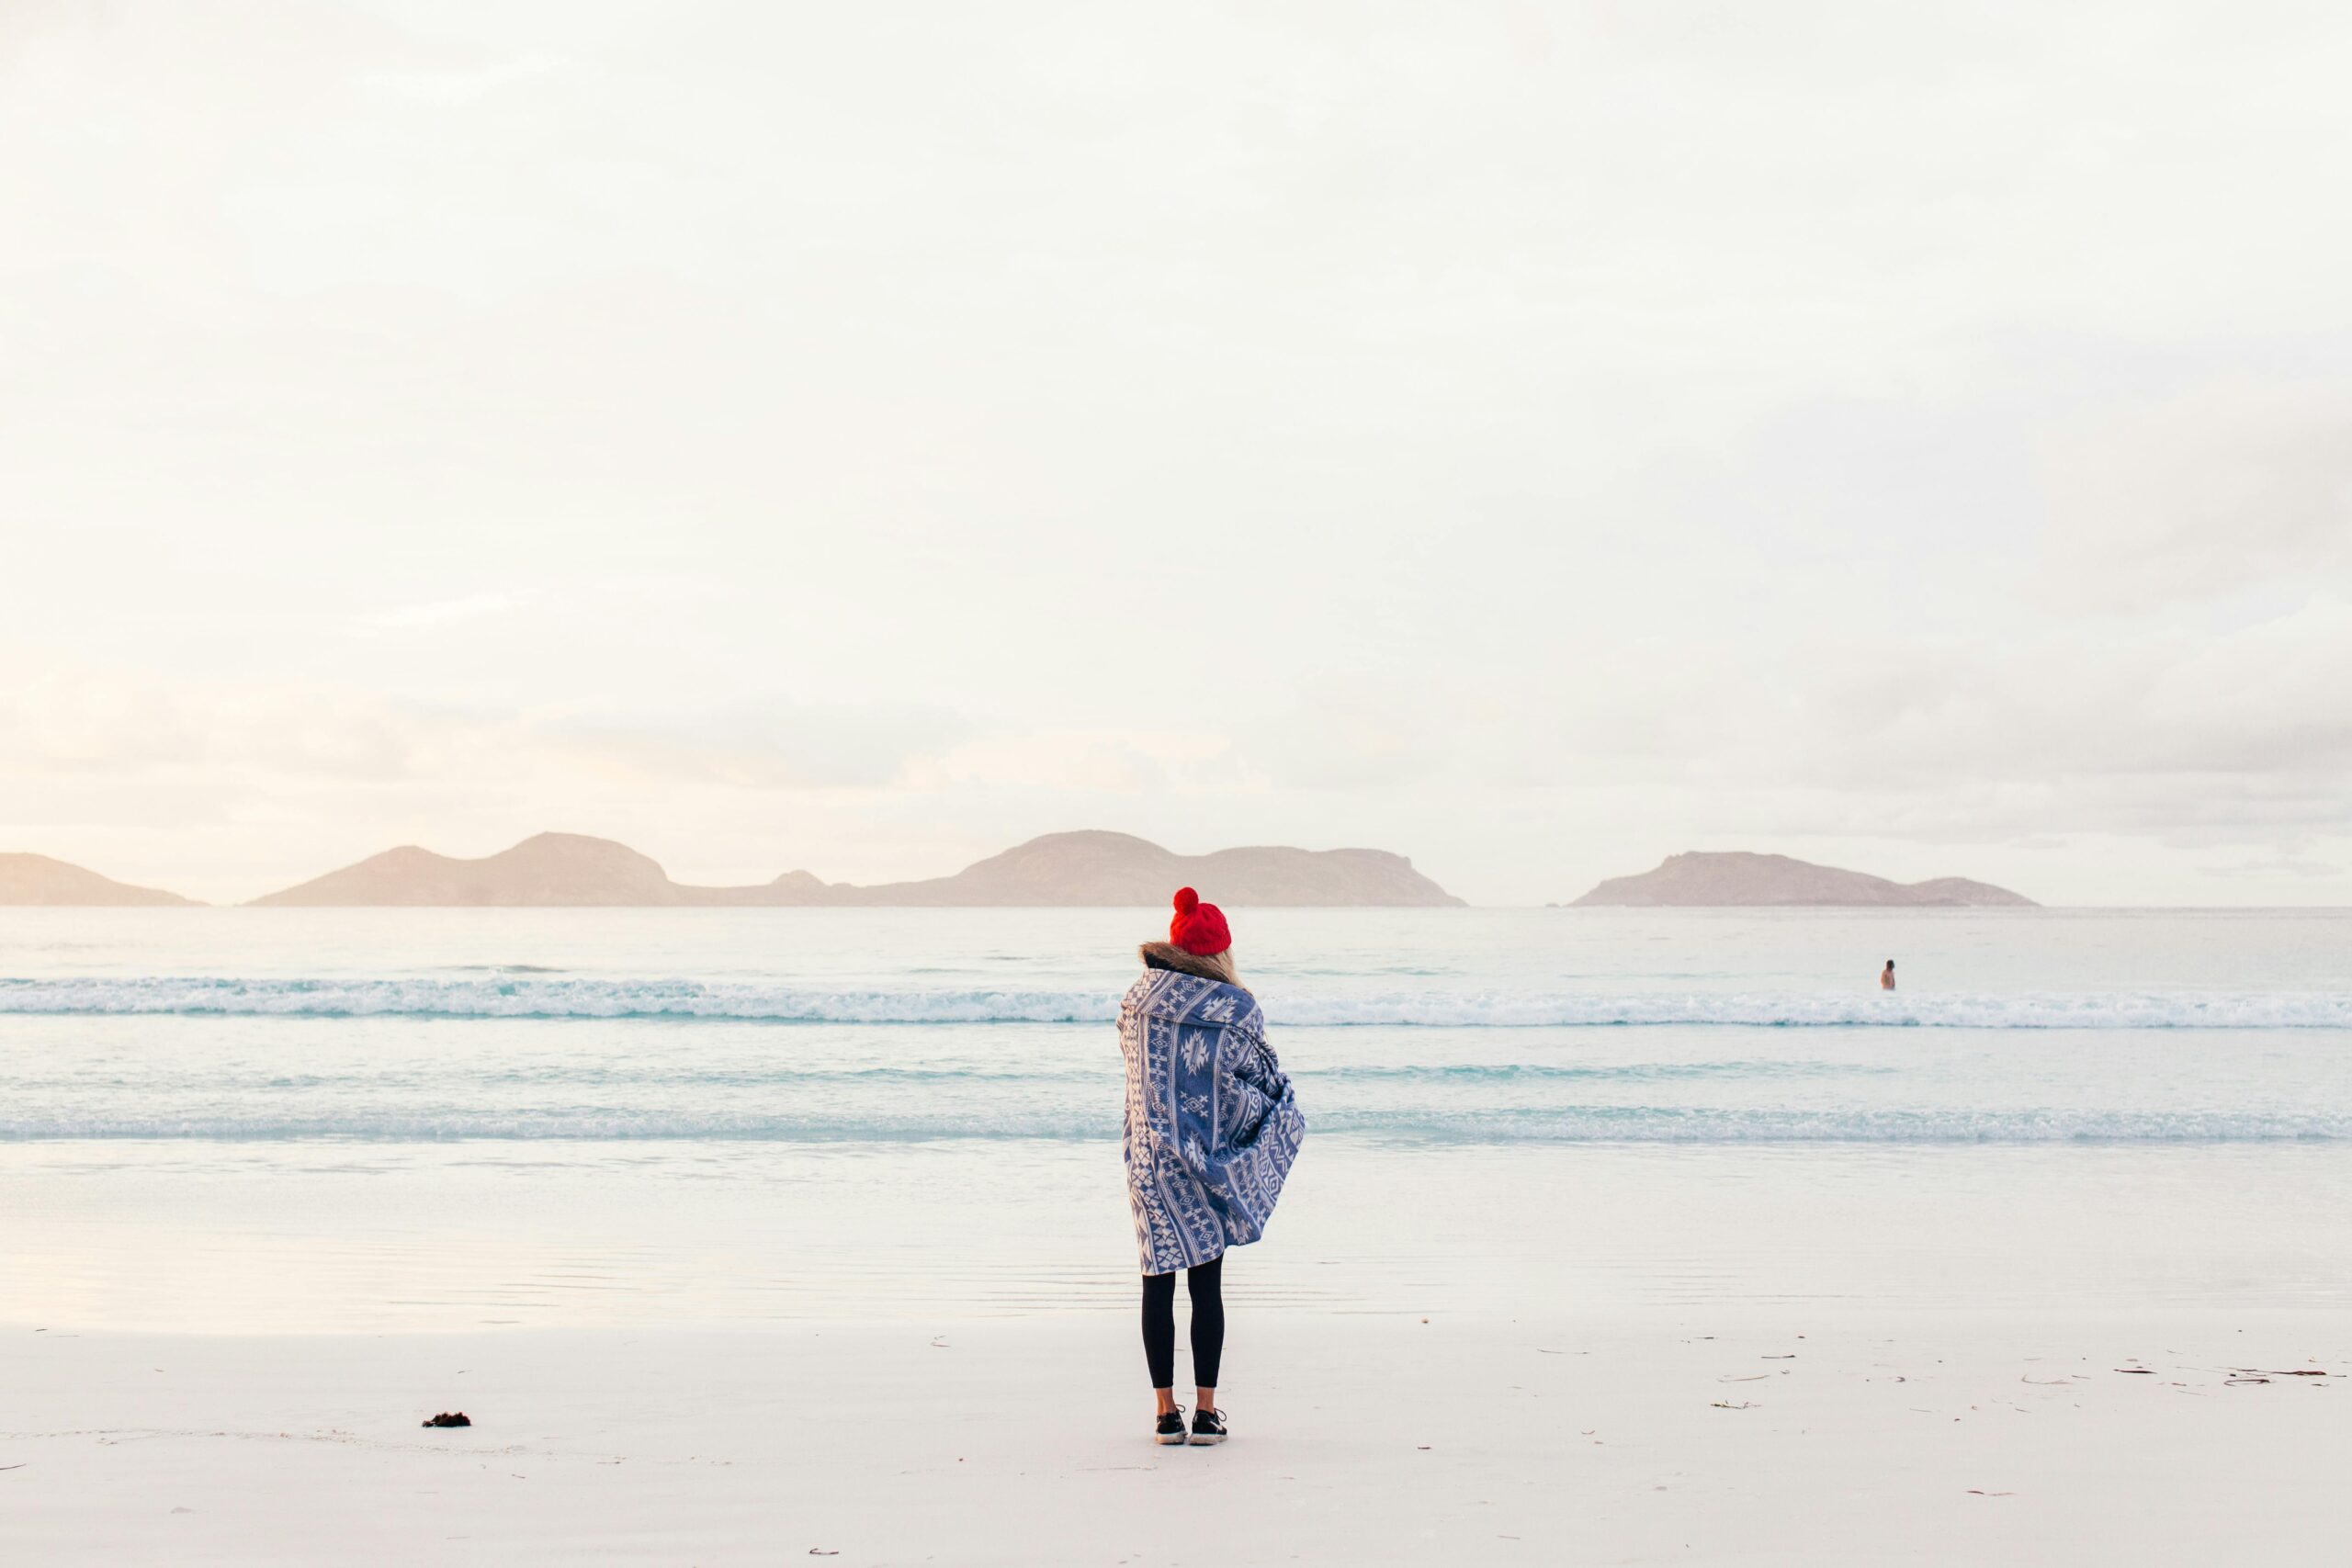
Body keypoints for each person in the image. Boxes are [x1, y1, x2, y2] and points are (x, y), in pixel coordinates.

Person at [1118, 886, 1306, 1446]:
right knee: (1206, 1284)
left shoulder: (1135, 1002)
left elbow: (1140, 1081)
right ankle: (1205, 1413)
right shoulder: (1238, 1009)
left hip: (1150, 1160)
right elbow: (1261, 1080)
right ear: (1220, 954)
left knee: (1156, 1280)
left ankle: (1163, 1415)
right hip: (1210, 1159)